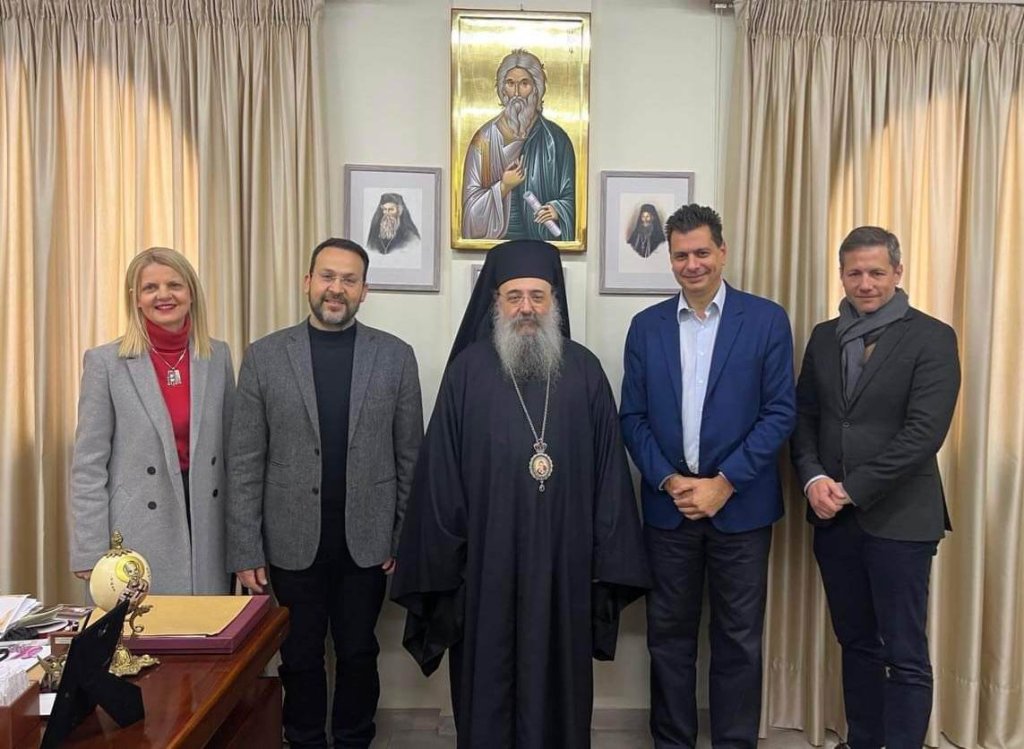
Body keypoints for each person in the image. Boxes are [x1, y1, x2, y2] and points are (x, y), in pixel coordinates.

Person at [391, 239, 649, 748]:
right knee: (487, 685)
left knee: (560, 692)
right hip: (485, 570)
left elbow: (609, 480)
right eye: (514, 296)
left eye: (537, 295)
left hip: (564, 567)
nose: (526, 307)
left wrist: (604, 560)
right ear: (496, 302)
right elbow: (440, 479)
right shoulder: (466, 373)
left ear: (554, 301)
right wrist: (449, 562)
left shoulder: (585, 372)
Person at [226, 238, 423, 749]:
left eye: (349, 280)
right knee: (299, 655)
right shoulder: (265, 356)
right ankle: (305, 739)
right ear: (307, 282)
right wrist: (246, 548)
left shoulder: (396, 357)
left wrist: (401, 538)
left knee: (358, 653)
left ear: (364, 291)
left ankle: (355, 738)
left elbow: (410, 457)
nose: (337, 288)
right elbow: (245, 460)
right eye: (328, 276)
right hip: (289, 542)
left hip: (368, 543)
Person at [619, 204, 796, 748]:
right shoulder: (646, 327)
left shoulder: (766, 320)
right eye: (681, 255)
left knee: (738, 640)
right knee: (667, 639)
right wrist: (668, 480)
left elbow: (780, 412)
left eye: (701, 252)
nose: (691, 264)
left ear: (722, 252)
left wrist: (725, 482)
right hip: (669, 509)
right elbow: (632, 417)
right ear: (669, 258)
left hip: (741, 508)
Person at [791, 226, 961, 749]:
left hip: (902, 520)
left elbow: (923, 435)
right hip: (834, 522)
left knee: (904, 652)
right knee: (857, 643)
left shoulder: (932, 337)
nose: (865, 283)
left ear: (898, 273)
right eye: (854, 273)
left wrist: (850, 489)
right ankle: (862, 740)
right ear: (841, 275)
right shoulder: (824, 336)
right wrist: (813, 478)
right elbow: (805, 417)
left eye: (876, 272)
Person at [70, 247, 235, 594]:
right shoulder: (106, 363)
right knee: (146, 623)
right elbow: (88, 466)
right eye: (150, 288)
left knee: (207, 623)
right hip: (137, 528)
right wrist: (89, 550)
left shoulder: (217, 356)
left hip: (206, 523)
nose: (164, 295)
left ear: (191, 292)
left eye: (174, 285)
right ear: (136, 299)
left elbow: (232, 454)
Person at [461, 49, 576, 241]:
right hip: (498, 247)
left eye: (524, 84)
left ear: (536, 89)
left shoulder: (556, 139)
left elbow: (572, 198)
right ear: (502, 90)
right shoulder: (484, 140)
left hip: (541, 245)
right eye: (510, 83)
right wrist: (504, 186)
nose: (516, 93)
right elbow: (470, 213)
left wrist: (557, 209)